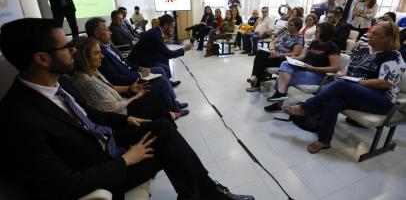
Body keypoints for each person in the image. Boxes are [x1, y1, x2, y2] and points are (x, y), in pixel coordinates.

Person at [0, 18, 254, 200]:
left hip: (102, 141)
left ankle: (206, 191)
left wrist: (125, 119)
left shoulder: (58, 85)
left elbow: (89, 113)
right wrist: (125, 160)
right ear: (42, 58)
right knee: (170, 148)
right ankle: (207, 193)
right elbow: (61, 186)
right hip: (98, 167)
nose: (73, 51)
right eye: (66, 47)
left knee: (163, 129)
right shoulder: (20, 118)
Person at [284, 22, 405, 154]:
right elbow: (348, 69)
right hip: (356, 92)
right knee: (333, 102)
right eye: (371, 32)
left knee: (342, 85)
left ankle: (304, 108)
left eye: (375, 34)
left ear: (387, 38)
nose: (369, 35)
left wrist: (355, 83)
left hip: (381, 100)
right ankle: (324, 141)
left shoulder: (393, 56)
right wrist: (342, 75)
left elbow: (386, 83)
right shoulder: (363, 50)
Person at [85, 17, 189, 116]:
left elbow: (124, 61)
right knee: (161, 81)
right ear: (97, 34)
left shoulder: (108, 46)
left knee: (160, 69)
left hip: (132, 71)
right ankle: (174, 108)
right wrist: (139, 74)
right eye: (107, 30)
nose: (110, 32)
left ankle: (173, 102)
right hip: (130, 82)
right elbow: (117, 79)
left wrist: (140, 68)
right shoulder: (100, 54)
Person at [71, 36, 181, 120]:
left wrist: (130, 88)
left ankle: (171, 111)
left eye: (100, 52)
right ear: (83, 57)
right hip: (123, 114)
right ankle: (171, 114)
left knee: (156, 91)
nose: (102, 56)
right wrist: (135, 95)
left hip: (125, 94)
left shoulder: (94, 71)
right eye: (96, 53)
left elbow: (110, 88)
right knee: (156, 95)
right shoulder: (87, 81)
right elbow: (116, 108)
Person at [264, 22, 340, 111]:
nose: (315, 33)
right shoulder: (315, 43)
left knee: (284, 78)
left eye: (318, 31)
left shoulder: (333, 47)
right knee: (285, 64)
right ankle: (280, 94)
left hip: (317, 74)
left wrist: (311, 68)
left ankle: (278, 102)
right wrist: (293, 59)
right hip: (305, 68)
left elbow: (334, 68)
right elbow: (304, 56)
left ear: (326, 33)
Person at [246, 17, 304, 92]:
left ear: (297, 27)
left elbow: (295, 54)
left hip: (283, 60)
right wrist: (273, 49)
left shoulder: (299, 38)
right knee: (261, 53)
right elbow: (272, 42)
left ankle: (255, 80)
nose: (288, 26)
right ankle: (255, 78)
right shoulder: (285, 34)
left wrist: (278, 55)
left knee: (261, 58)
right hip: (274, 54)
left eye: (291, 25)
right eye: (288, 24)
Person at [128, 14, 192, 79]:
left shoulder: (156, 30)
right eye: (172, 27)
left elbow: (163, 50)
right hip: (138, 63)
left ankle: (168, 80)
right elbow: (169, 54)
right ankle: (166, 81)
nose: (173, 30)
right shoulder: (156, 35)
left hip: (145, 57)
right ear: (166, 25)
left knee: (164, 57)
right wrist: (184, 49)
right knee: (165, 63)